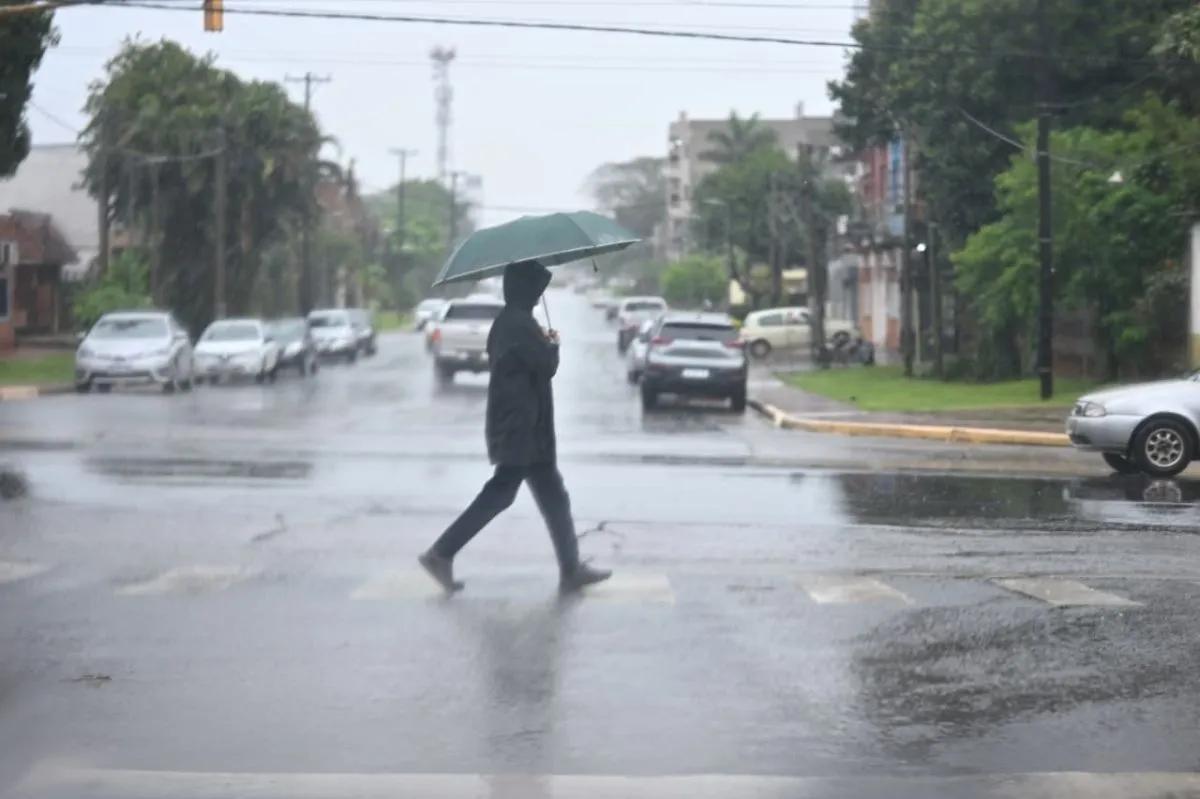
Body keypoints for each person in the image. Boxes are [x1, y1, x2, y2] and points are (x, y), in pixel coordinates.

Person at [419, 261, 612, 594]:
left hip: (527, 429)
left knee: (553, 496)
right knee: (501, 493)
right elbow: (546, 365)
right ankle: (441, 552)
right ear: (524, 290)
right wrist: (552, 343)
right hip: (519, 429)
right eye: (536, 289)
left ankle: (571, 569)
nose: (539, 296)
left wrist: (543, 340)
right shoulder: (518, 325)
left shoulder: (512, 322)